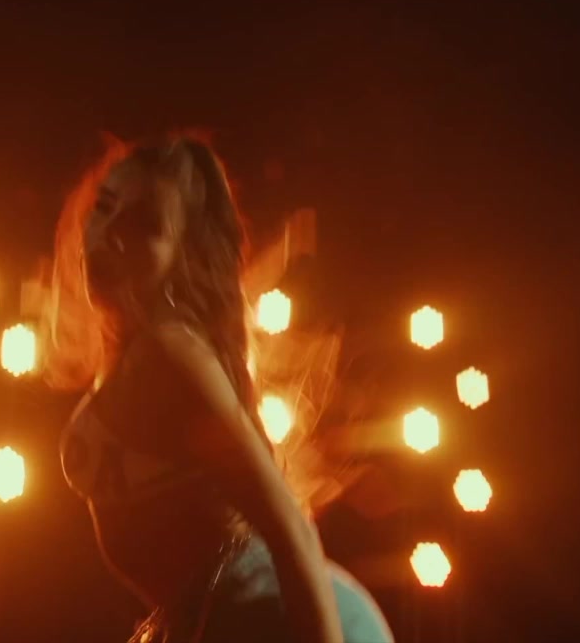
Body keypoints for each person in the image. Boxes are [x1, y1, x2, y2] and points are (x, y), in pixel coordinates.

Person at [47, 134, 395, 643]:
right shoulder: (135, 355)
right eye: (106, 209)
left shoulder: (169, 350)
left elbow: (289, 525)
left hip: (277, 616)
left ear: (182, 256)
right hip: (226, 618)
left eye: (146, 225)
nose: (112, 234)